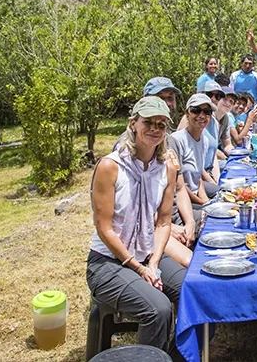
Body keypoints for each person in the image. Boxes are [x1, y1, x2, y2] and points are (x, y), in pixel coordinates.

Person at [86, 97, 185, 356]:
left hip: (146, 255)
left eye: (161, 125)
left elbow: (164, 221)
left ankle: (174, 357)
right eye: (148, 122)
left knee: (196, 292)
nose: (154, 129)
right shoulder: (110, 166)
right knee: (159, 309)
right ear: (133, 124)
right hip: (107, 263)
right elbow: (104, 228)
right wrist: (139, 268)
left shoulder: (167, 168)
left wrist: (153, 263)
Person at [142, 77, 200, 265]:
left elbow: (180, 188)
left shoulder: (171, 142)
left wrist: (190, 221)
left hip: (175, 216)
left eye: (171, 98)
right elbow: (135, 207)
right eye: (161, 97)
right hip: (151, 227)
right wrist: (170, 227)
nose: (168, 103)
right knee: (192, 267)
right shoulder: (134, 145)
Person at [171, 94, 219, 204]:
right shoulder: (176, 140)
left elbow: (198, 179)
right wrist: (203, 204)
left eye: (207, 112)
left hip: (195, 195)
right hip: (181, 200)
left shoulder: (204, 140)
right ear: (187, 114)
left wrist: (205, 201)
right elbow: (179, 185)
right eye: (196, 110)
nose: (202, 115)